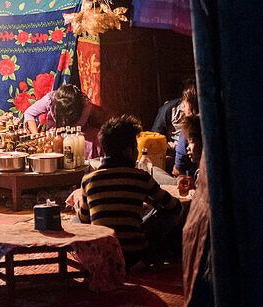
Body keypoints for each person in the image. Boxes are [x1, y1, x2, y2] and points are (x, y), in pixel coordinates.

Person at [75, 115, 182, 267]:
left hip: (102, 255)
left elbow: (85, 220)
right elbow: (174, 206)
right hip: (134, 255)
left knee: (75, 220)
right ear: (129, 150)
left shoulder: (88, 179)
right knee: (165, 215)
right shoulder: (140, 177)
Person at [24, 83, 106, 159]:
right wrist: (37, 137)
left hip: (77, 134)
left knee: (90, 140)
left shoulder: (85, 105)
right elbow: (29, 113)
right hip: (54, 135)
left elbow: (76, 129)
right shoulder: (50, 99)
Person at [173, 82, 199, 180]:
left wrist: (175, 170)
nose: (182, 105)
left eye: (185, 101)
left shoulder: (189, 127)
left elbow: (179, 169)